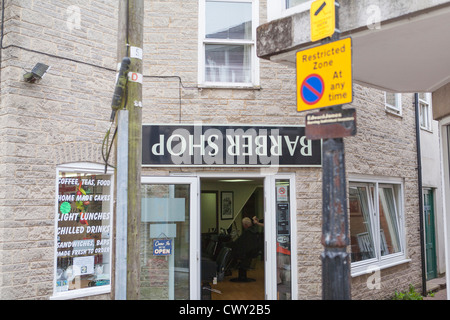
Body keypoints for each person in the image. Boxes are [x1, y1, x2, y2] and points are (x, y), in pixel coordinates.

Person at [229, 217, 260, 282]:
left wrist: (231, 245)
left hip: (246, 253)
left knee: (230, 252)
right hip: (251, 252)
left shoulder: (247, 232)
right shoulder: (254, 231)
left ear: (245, 225)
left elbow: (240, 243)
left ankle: (229, 269)